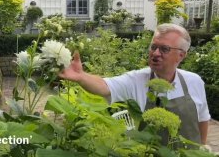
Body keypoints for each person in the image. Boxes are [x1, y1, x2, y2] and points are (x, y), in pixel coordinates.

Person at [59, 23, 210, 145]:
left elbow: (203, 118)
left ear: (181, 55)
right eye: (153, 47)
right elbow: (105, 86)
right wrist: (81, 76)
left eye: (164, 49)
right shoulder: (137, 80)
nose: (155, 53)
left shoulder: (194, 81)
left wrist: (202, 148)